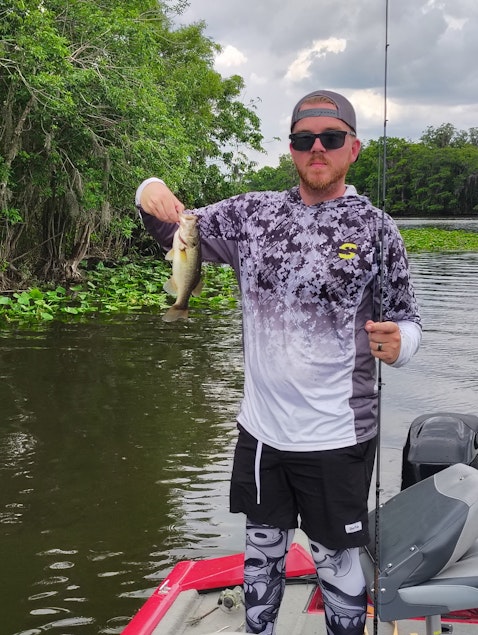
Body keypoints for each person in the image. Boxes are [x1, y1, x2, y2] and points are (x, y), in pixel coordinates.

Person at [135, 89, 422, 635]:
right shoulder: (252, 214)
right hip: (262, 432)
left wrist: (400, 343)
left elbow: (407, 321)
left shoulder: (377, 229)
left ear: (353, 147)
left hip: (337, 435)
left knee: (337, 560)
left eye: (330, 138)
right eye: (303, 138)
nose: (317, 148)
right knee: (261, 550)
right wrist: (147, 190)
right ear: (290, 148)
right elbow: (176, 231)